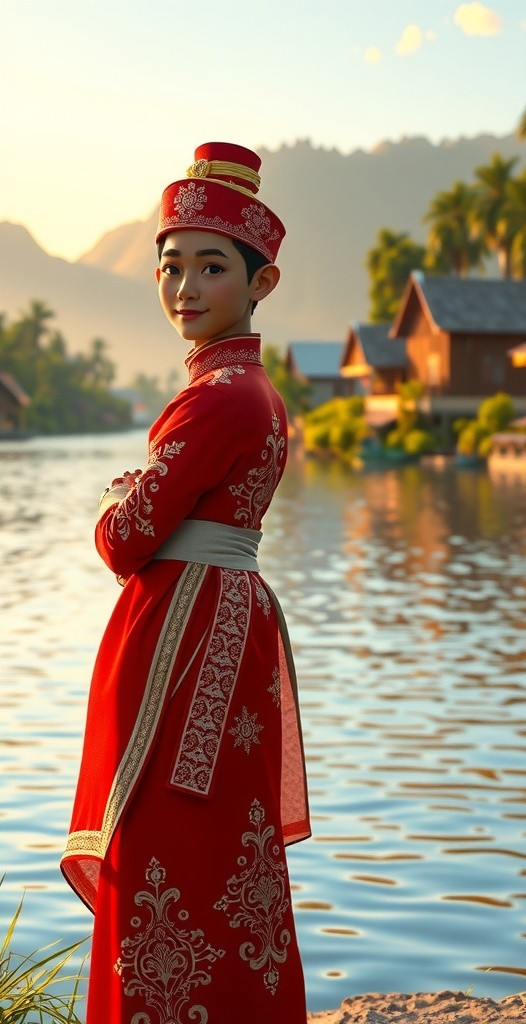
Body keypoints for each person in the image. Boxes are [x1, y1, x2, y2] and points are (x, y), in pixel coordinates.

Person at [61, 141, 311, 1024]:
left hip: (185, 637)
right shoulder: (255, 390)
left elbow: (125, 541)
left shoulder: (219, 397)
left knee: (168, 841)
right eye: (171, 268)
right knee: (214, 847)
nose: (186, 289)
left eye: (212, 267)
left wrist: (113, 496)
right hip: (222, 627)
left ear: (261, 282)